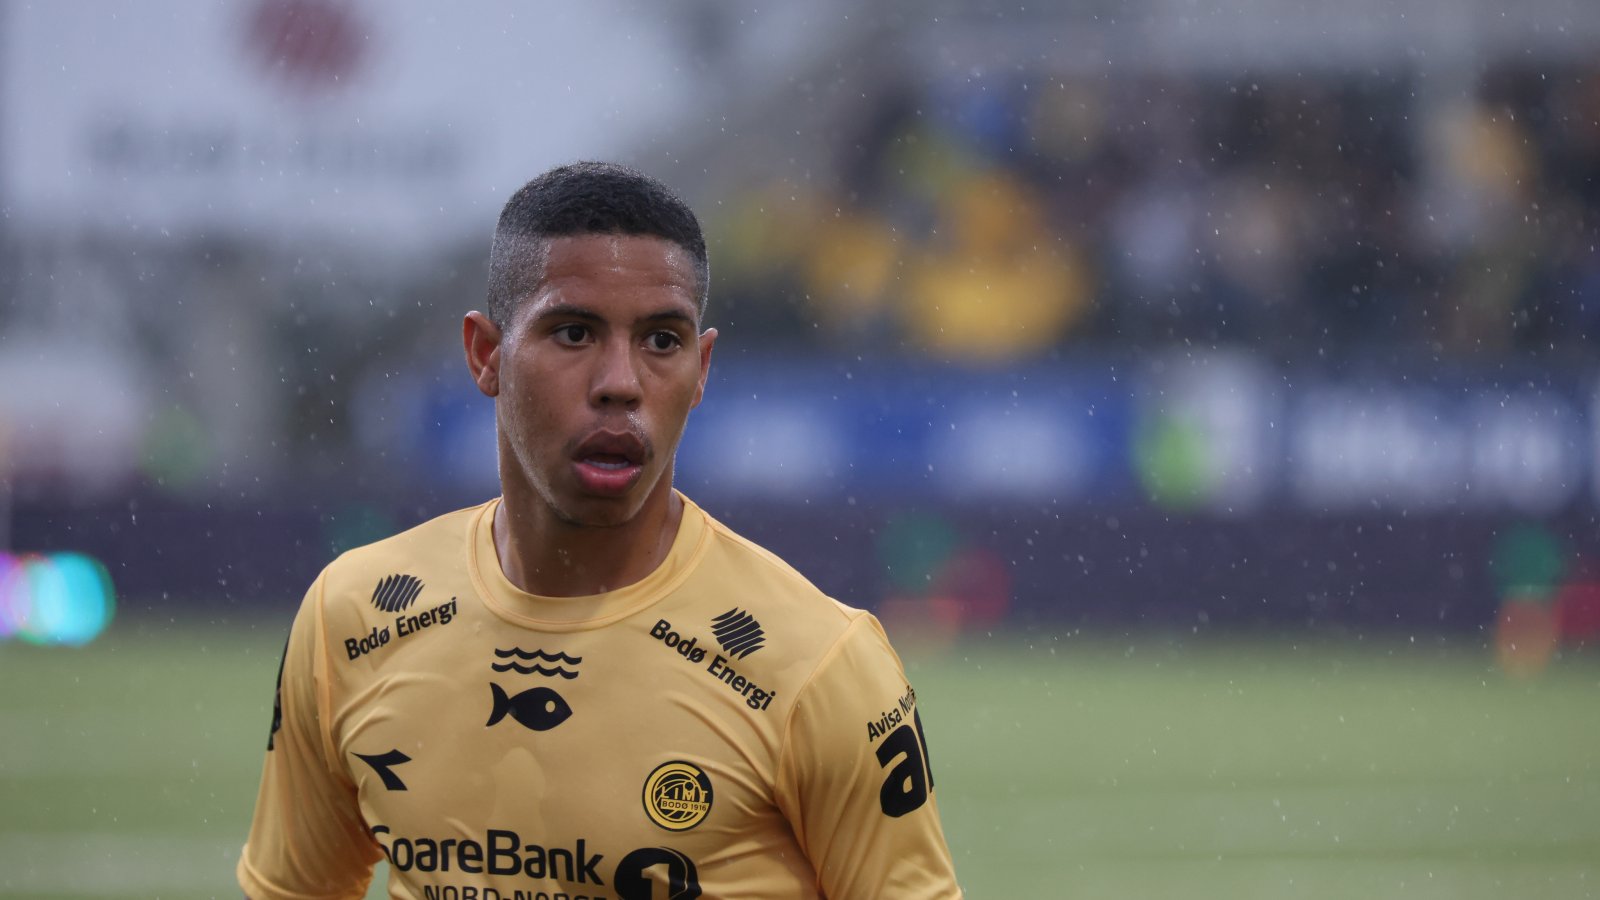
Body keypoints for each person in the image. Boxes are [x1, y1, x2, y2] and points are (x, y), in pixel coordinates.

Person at [238, 161, 962, 899]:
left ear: (702, 368)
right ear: (486, 355)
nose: (620, 382)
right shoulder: (352, 617)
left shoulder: (816, 664)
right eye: (574, 332)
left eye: (662, 341)